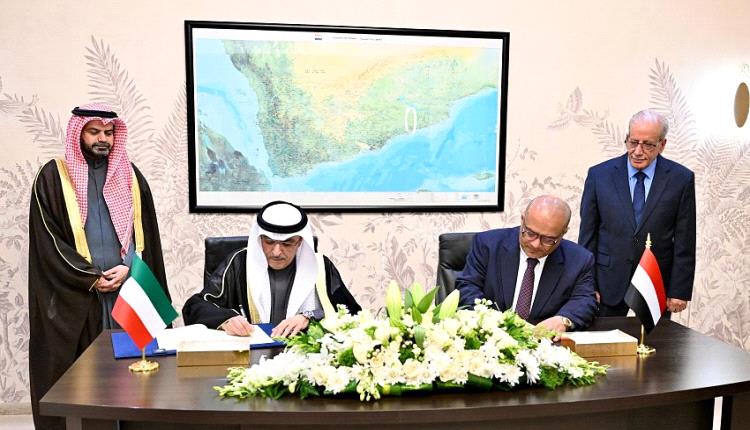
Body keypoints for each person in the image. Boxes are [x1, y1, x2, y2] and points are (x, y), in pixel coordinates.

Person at [28, 103, 170, 430]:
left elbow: (145, 235)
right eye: (94, 132)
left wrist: (129, 267)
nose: (102, 139)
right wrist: (89, 277)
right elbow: (48, 240)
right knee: (87, 381)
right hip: (79, 294)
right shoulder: (53, 177)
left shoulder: (130, 176)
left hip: (126, 290)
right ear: (78, 133)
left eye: (108, 132)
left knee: (135, 373)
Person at [182, 200, 361, 338]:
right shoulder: (239, 263)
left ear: (300, 241)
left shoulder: (321, 266)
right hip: (248, 359)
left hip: (305, 360)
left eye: (287, 243)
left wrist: (309, 317)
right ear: (259, 238)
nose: (276, 252)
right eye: (268, 242)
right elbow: (194, 306)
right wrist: (225, 319)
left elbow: (352, 315)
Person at [579, 109, 696, 316]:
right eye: (633, 142)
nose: (638, 151)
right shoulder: (599, 175)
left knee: (656, 338)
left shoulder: (681, 179)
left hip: (656, 283)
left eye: (648, 145)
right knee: (604, 337)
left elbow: (685, 240)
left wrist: (679, 290)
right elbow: (588, 236)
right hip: (608, 281)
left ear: (662, 144)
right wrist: (586, 285)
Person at [456, 195, 598, 336]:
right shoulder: (488, 245)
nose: (536, 244)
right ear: (523, 220)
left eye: (548, 239)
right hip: (490, 337)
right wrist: (489, 322)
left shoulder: (579, 260)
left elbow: (585, 300)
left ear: (563, 232)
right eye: (530, 233)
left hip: (543, 342)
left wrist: (563, 320)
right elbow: (467, 286)